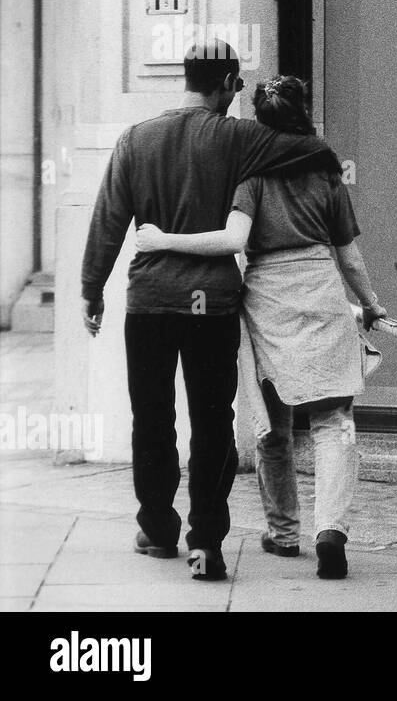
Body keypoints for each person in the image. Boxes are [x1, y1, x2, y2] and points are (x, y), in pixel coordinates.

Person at [81, 41, 342, 581]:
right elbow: (307, 147)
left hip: (150, 302)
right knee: (212, 423)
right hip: (212, 306)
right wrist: (321, 153)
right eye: (238, 84)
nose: (238, 93)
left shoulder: (135, 139)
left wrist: (91, 289)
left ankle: (156, 528)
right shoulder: (238, 139)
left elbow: (107, 219)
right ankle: (206, 543)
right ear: (226, 81)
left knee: (151, 419)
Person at [136, 76, 385, 580]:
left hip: (267, 297)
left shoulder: (252, 174)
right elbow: (351, 258)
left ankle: (284, 533)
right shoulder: (325, 171)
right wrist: (372, 306)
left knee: (274, 424)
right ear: (304, 113)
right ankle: (330, 531)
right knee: (333, 420)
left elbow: (233, 239)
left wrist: (163, 239)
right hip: (320, 287)